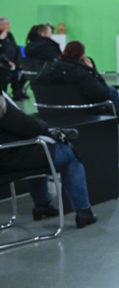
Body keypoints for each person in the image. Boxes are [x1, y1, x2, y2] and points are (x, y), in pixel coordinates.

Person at [0, 93, 97, 228]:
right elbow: (28, 126)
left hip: (9, 155)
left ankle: (42, 206)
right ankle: (84, 212)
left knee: (39, 152)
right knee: (68, 153)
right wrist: (46, 129)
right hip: (9, 157)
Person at [33, 41, 119, 144]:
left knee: (111, 92)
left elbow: (35, 84)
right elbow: (103, 94)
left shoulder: (48, 68)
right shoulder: (79, 72)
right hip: (80, 112)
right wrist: (92, 70)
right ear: (81, 56)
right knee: (110, 96)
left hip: (50, 111)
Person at [0, 16, 25, 100]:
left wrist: (18, 62)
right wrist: (1, 39)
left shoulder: (9, 35)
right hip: (3, 64)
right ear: (1, 26)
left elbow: (15, 48)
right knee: (4, 75)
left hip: (13, 62)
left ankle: (17, 95)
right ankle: (3, 97)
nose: (9, 26)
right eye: (7, 24)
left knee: (18, 77)